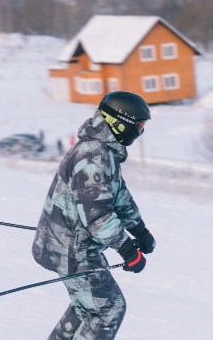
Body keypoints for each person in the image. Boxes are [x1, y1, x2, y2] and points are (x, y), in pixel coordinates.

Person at [32, 91, 156, 340]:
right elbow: (98, 217)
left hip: (72, 245)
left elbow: (118, 196)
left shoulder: (104, 153)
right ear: (120, 123)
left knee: (86, 307)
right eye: (139, 127)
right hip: (70, 250)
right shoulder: (92, 157)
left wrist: (140, 230)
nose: (140, 132)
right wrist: (128, 251)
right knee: (109, 309)